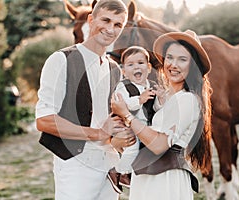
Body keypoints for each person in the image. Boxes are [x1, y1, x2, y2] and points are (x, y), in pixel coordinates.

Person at [35, 1, 136, 200]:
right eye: (105, 20)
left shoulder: (114, 69)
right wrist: (97, 133)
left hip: (109, 163)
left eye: (118, 25)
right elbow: (44, 120)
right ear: (91, 19)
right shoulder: (61, 60)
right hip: (75, 164)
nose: (110, 29)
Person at [111, 30, 212, 200]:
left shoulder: (187, 100)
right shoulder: (165, 97)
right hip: (146, 174)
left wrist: (127, 115)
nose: (173, 64)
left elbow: (158, 145)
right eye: (170, 57)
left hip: (165, 179)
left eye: (182, 59)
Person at [107, 46, 165, 193]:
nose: (136, 67)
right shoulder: (123, 87)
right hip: (128, 126)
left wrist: (161, 100)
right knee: (132, 147)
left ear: (149, 67)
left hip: (145, 126)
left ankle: (141, 174)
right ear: (124, 71)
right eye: (130, 65)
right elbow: (122, 106)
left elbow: (155, 109)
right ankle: (120, 172)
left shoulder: (152, 86)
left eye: (140, 63)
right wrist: (139, 99)